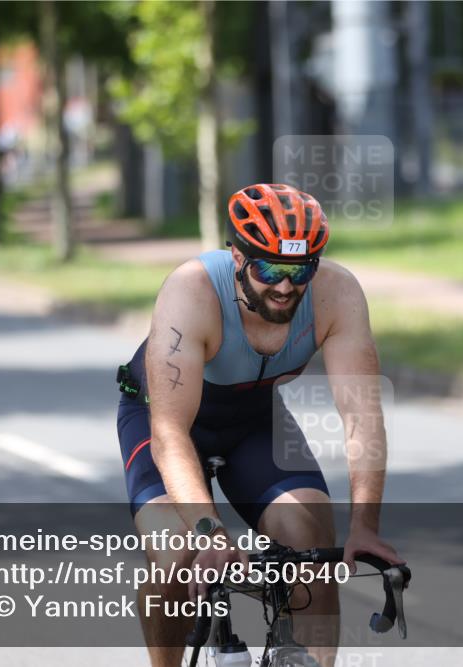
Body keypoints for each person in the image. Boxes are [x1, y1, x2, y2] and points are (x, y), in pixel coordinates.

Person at [117, 183, 402, 667]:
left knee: (310, 546)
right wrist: (210, 533)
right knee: (178, 554)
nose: (286, 286)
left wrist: (364, 526)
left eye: (300, 269)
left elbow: (362, 420)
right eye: (270, 269)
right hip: (163, 421)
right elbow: (169, 434)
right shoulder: (192, 292)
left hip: (253, 420)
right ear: (237, 257)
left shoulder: (337, 294)